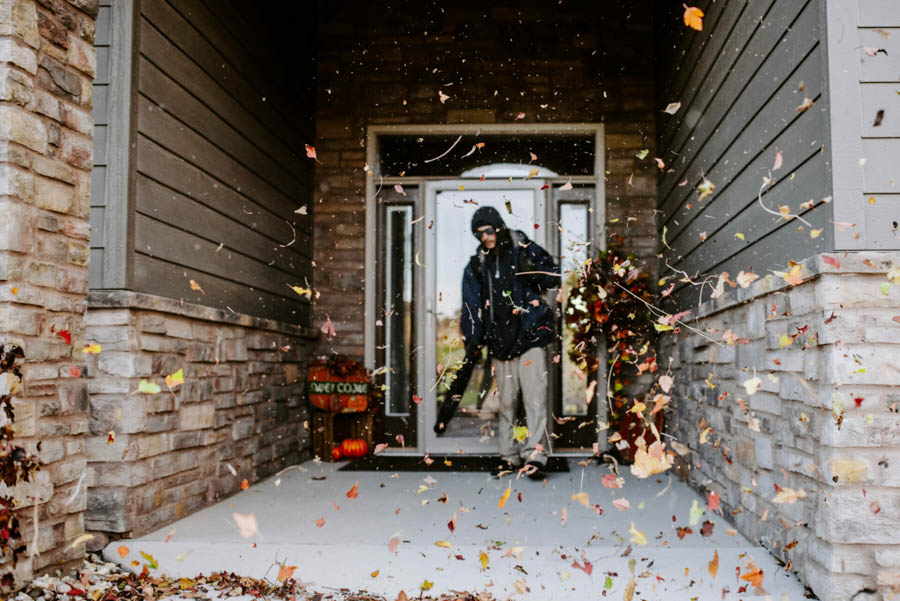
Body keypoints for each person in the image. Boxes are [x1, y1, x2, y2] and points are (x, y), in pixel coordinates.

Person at [457, 206, 560, 480]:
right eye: (479, 234)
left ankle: (535, 457)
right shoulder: (478, 264)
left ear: (498, 227)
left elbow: (553, 275)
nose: (485, 238)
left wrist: (533, 273)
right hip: (501, 343)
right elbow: (471, 305)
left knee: (535, 401)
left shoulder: (523, 247)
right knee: (507, 405)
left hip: (530, 339)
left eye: (488, 231)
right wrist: (473, 338)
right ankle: (509, 456)